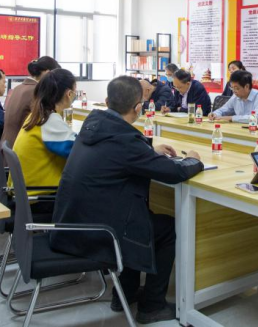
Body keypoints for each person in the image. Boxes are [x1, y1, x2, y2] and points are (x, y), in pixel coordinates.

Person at [50, 76, 203, 324]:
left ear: (107, 101)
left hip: (72, 222)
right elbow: (174, 173)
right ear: (138, 108)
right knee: (166, 228)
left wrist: (147, 150)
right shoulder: (124, 140)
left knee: (140, 218)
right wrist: (193, 160)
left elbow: (120, 153)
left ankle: (125, 293)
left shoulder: (94, 126)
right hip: (99, 232)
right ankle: (152, 305)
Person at [13, 69, 77, 211]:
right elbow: (78, 152)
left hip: (25, 194)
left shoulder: (36, 116)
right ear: (69, 94)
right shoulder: (49, 121)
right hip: (40, 199)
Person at [1, 56, 60, 147]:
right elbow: (48, 124)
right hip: (20, 147)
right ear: (48, 73)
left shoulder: (17, 88)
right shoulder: (37, 92)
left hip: (6, 147)